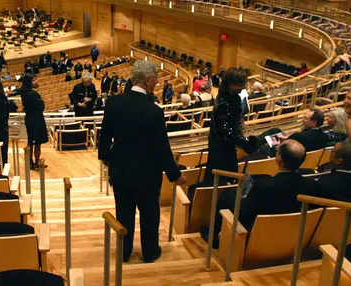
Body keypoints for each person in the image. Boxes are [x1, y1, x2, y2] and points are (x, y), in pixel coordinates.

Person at [98, 60, 185, 263]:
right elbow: (162, 148)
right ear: (147, 80)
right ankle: (149, 252)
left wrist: (109, 159)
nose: (156, 82)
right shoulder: (154, 111)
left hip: (121, 172)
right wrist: (175, 175)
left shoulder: (113, 103)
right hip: (147, 174)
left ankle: (124, 253)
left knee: (124, 214)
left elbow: (105, 140)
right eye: (155, 79)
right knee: (149, 215)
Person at [204, 141, 319, 247]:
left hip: (260, 238)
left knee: (228, 195)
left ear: (279, 159)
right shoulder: (312, 185)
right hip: (294, 238)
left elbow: (246, 213)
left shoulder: (264, 187)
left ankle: (214, 236)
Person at [204, 68, 257, 184]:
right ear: (231, 85)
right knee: (223, 178)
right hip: (222, 148)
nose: (243, 88)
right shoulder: (225, 102)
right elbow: (228, 132)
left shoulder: (229, 96)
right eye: (240, 85)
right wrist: (245, 143)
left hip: (222, 144)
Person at [20, 75, 48, 170]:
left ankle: (30, 162)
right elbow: (42, 106)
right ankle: (36, 162)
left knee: (30, 141)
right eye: (34, 80)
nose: (36, 81)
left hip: (29, 118)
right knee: (38, 142)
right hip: (37, 119)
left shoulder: (23, 93)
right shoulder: (33, 93)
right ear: (29, 82)